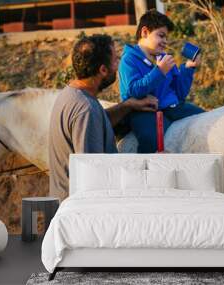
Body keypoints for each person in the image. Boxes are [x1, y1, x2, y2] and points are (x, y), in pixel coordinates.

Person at [48, 34, 158, 200]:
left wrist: (127, 105)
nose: (118, 65)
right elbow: (95, 175)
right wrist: (150, 165)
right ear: (103, 70)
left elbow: (97, 123)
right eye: (115, 60)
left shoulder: (71, 94)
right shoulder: (86, 110)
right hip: (81, 212)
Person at [118, 9, 205, 153]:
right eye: (161, 36)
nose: (165, 42)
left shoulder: (163, 58)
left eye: (166, 38)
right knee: (150, 138)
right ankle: (144, 171)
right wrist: (159, 71)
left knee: (204, 117)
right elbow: (133, 90)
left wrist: (188, 68)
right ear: (145, 32)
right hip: (143, 111)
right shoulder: (129, 59)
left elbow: (179, 93)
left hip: (171, 107)